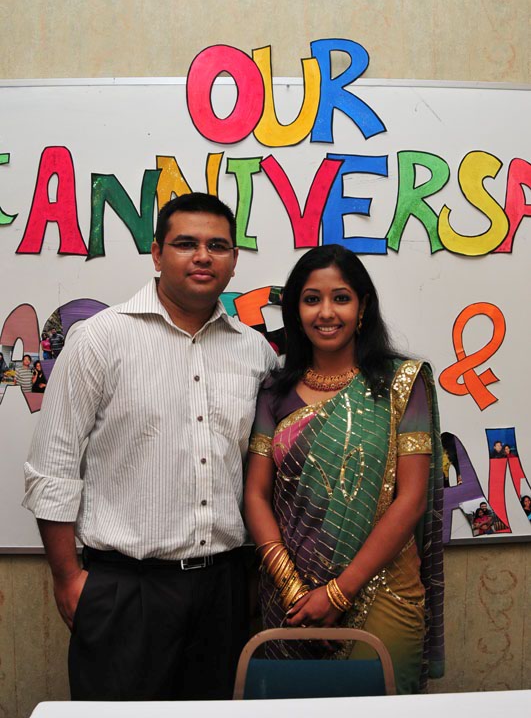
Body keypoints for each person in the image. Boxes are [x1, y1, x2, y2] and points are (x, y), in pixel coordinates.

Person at [23, 193, 277, 701]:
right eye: (186, 244)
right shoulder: (99, 339)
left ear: (233, 261)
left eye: (217, 246)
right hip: (125, 590)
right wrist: (69, 579)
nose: (202, 256)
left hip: (224, 590)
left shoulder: (255, 352)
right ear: (157, 254)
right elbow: (52, 467)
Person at [244, 244, 444, 695]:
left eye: (341, 298)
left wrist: (339, 593)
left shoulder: (400, 384)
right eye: (311, 299)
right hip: (290, 597)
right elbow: (255, 495)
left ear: (363, 306)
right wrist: (294, 590)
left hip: (383, 591)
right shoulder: (275, 391)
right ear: (295, 311)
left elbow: (411, 500)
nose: (326, 312)